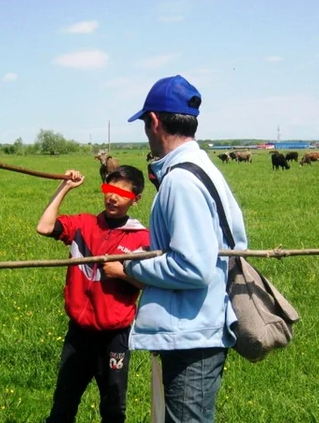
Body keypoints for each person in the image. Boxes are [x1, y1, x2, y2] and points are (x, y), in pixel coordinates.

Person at [103, 75, 248, 423]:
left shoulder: (180, 181)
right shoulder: (203, 169)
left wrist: (131, 266)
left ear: (153, 121)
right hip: (201, 322)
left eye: (145, 124)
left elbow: (193, 267)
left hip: (192, 332)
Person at [37, 166, 150, 423]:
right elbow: (44, 227)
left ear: (136, 199)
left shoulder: (141, 238)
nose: (112, 197)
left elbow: (151, 284)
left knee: (113, 408)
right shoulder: (83, 225)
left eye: (122, 193)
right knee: (63, 404)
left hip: (115, 336)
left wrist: (122, 273)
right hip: (78, 333)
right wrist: (65, 186)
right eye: (109, 189)